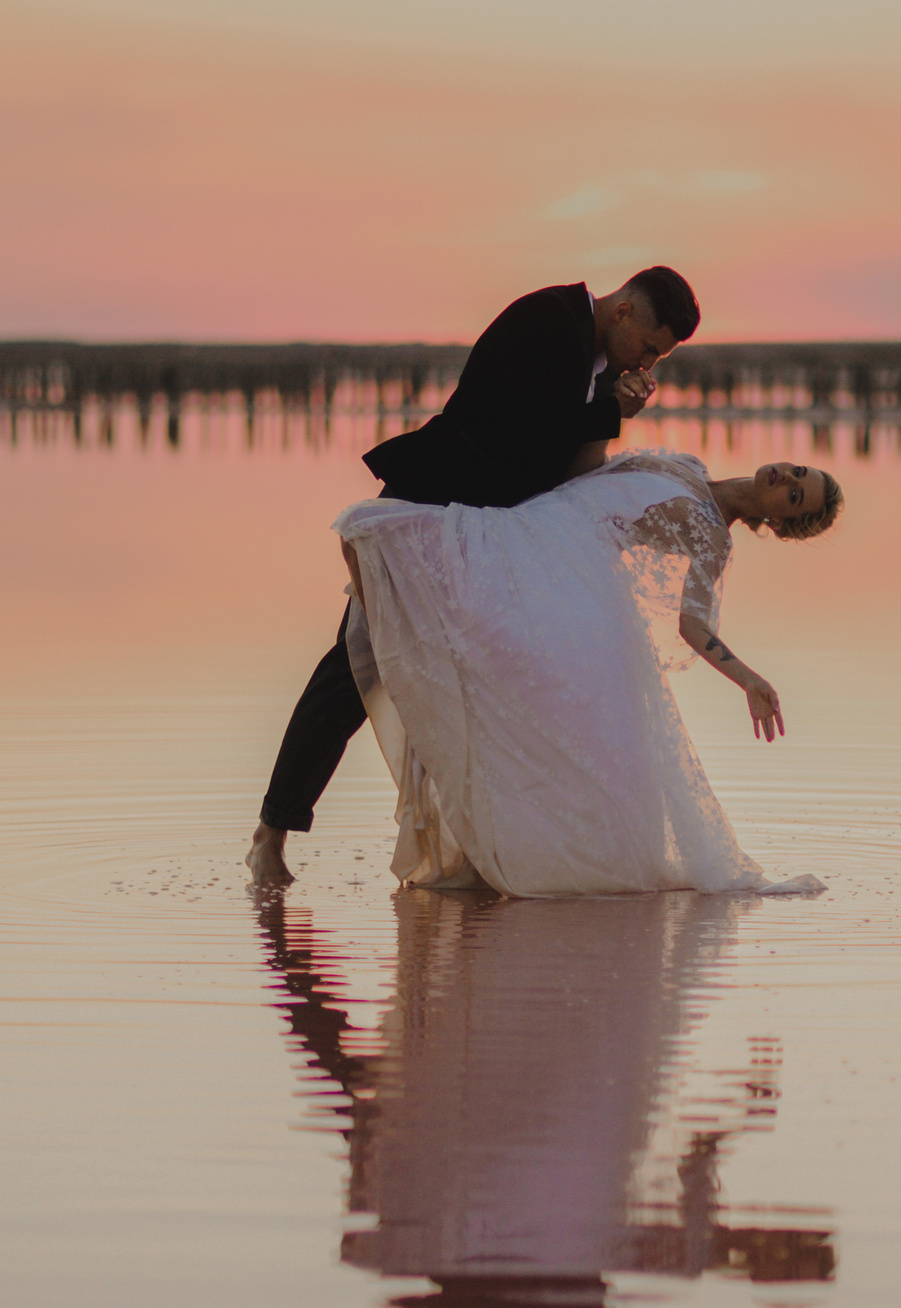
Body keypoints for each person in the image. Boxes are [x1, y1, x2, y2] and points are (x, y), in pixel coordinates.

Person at [248, 269, 700, 887]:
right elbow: (524, 447)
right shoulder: (550, 325)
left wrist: (608, 413)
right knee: (356, 666)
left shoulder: (587, 357)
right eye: (649, 347)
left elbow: (562, 469)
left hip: (469, 532)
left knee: (473, 680)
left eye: (658, 357)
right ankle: (271, 835)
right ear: (623, 310)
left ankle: (473, 849)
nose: (647, 361)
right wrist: (606, 411)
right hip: (426, 509)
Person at [336, 450, 841, 897]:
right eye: (796, 471)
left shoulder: (711, 535)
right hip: (534, 523)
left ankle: (499, 837)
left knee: (372, 530)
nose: (784, 479)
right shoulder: (690, 468)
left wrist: (749, 678)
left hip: (550, 564)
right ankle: (391, 627)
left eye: (794, 496)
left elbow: (692, 624)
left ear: (779, 524)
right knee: (369, 533)